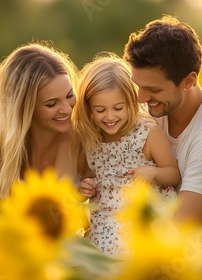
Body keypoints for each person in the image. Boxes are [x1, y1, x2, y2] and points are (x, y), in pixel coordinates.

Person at [123, 15, 202, 224]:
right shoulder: (146, 111)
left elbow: (184, 227)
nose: (140, 98)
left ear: (189, 81)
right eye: (138, 86)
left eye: (153, 89)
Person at [73, 53, 180, 256]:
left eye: (118, 108)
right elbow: (88, 175)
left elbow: (174, 174)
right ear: (89, 109)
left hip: (143, 213)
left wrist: (152, 173)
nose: (110, 116)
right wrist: (86, 186)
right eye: (100, 110)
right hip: (105, 219)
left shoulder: (147, 133)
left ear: (131, 102)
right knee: (95, 257)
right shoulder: (89, 140)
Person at [0, 42, 79, 220]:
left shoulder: (77, 137)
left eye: (69, 96)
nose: (67, 109)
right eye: (52, 104)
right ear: (24, 108)